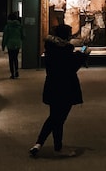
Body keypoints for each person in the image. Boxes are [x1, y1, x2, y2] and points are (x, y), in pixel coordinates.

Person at [29, 24, 89, 157]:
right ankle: (47, 144)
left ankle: (43, 144)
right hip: (66, 87)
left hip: (52, 86)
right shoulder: (66, 50)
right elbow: (71, 67)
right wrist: (82, 55)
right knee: (58, 118)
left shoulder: (50, 49)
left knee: (54, 116)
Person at [1, 11, 24, 79]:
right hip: (17, 43)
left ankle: (12, 74)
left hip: (10, 44)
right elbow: (23, 35)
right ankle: (16, 71)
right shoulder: (19, 26)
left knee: (11, 59)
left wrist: (3, 45)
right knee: (16, 58)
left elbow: (5, 37)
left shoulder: (7, 27)